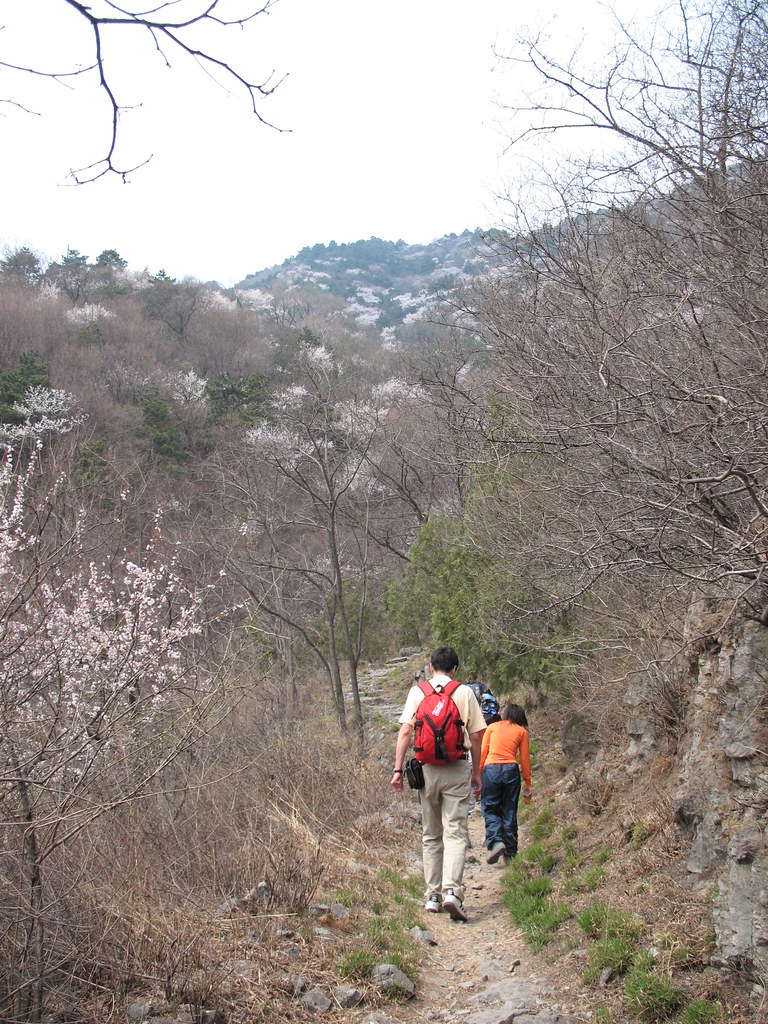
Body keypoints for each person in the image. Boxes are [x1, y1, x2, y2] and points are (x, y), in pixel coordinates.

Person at [391, 646, 486, 922]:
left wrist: (397, 770)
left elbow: (406, 731)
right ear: (455, 669)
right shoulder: (464, 692)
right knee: (455, 831)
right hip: (457, 767)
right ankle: (452, 892)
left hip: (426, 771)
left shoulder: (417, 692)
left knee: (431, 834)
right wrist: (476, 772)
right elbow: (476, 736)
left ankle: (432, 895)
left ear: (431, 668)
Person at [479, 703, 532, 864]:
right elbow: (524, 759)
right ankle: (510, 854)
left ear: (505, 714)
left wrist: (479, 774)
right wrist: (527, 783)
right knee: (509, 810)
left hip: (491, 769)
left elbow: (483, 752)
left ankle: (496, 841)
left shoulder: (492, 727)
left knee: (490, 808)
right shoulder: (521, 732)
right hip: (511, 770)